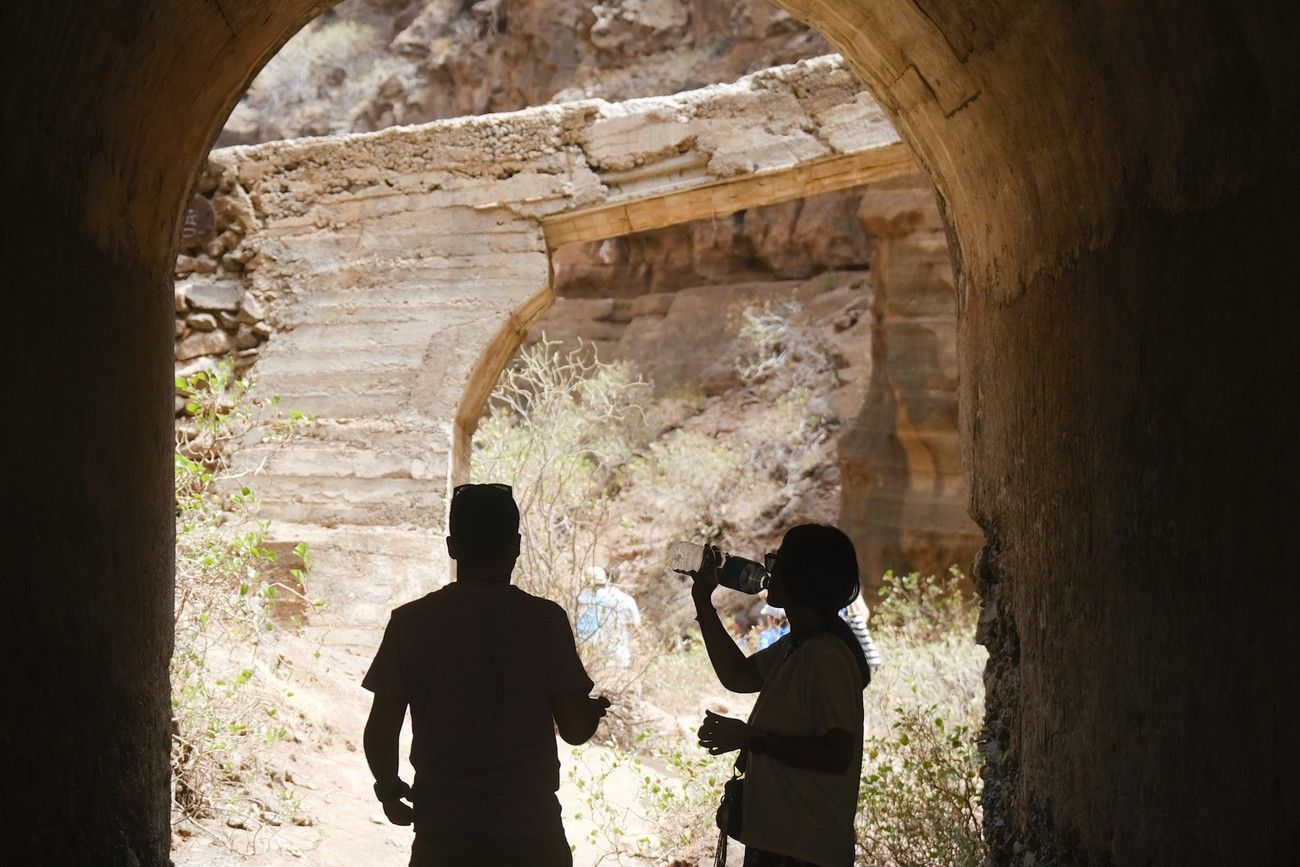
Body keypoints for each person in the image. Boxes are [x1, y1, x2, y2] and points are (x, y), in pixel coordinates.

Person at [362, 482, 611, 867]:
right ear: (516, 546)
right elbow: (576, 729)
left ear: (452, 546)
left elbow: (381, 729)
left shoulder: (410, 623)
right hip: (530, 832)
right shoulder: (544, 622)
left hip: (443, 833)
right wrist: (594, 710)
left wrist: (389, 790)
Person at [690, 524, 871, 867]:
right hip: (786, 842)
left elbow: (836, 753)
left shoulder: (825, 655)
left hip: (804, 849)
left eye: (778, 562)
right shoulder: (799, 644)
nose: (768, 571)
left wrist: (752, 737)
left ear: (803, 577)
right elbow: (738, 675)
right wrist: (703, 602)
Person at [575, 565, 642, 667]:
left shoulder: (583, 601)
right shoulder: (627, 600)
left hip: (595, 662)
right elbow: (637, 630)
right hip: (621, 658)